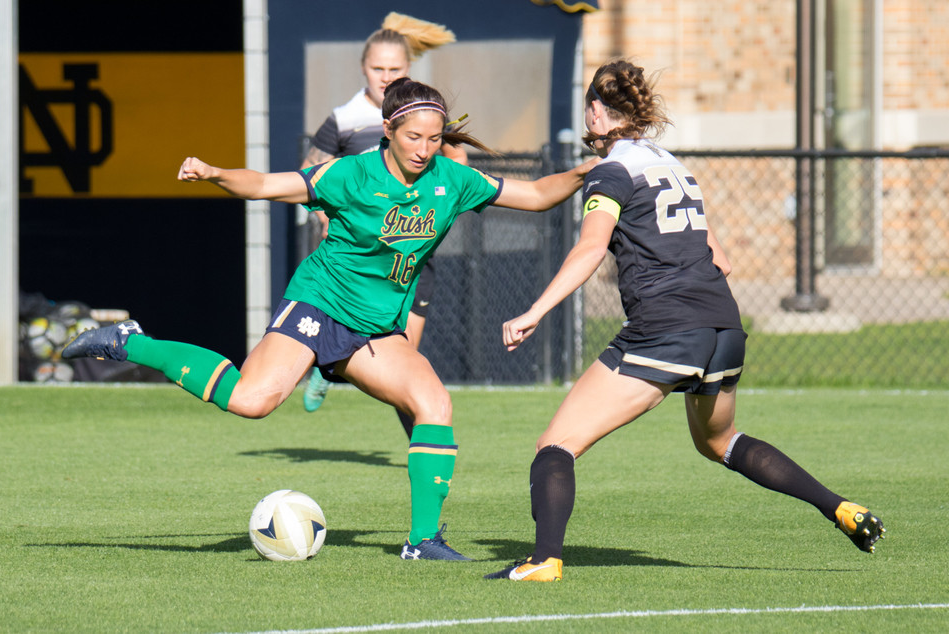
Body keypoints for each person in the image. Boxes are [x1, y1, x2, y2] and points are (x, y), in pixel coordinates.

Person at [64, 77, 596, 561]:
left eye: (434, 139)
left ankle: (423, 541)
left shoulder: (451, 180)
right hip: (321, 303)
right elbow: (267, 186)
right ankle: (130, 343)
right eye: (414, 137)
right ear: (388, 130)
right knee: (252, 401)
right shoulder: (351, 173)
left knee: (434, 403)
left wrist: (587, 171)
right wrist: (214, 173)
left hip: (376, 328)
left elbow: (535, 194)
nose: (424, 149)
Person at [485, 60, 885, 582]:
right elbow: (720, 258)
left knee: (555, 446)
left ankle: (543, 561)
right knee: (721, 442)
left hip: (666, 326)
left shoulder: (613, 171)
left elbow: (589, 248)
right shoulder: (674, 166)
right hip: (722, 326)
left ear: (597, 112)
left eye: (590, 109)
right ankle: (840, 508)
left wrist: (535, 311)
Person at [300, 13, 464, 439]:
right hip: (358, 264)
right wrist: (325, 215)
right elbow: (309, 174)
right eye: (379, 69)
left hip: (410, 261)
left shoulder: (423, 116)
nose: (387, 77)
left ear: (408, 71)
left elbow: (459, 167)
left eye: (396, 70)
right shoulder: (345, 118)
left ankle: (423, 448)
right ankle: (333, 368)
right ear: (363, 69)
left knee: (407, 358)